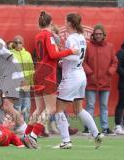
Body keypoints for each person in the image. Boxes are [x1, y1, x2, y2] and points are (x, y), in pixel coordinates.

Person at [21, 11, 77, 149]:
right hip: (47, 74)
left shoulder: (38, 35)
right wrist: (70, 51)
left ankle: (26, 135)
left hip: (38, 72)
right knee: (51, 108)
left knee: (39, 108)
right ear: (51, 23)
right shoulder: (48, 35)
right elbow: (53, 54)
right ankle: (33, 136)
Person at [52, 13, 103, 149]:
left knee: (58, 109)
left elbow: (73, 57)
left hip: (72, 76)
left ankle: (65, 141)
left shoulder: (71, 38)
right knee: (78, 109)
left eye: (65, 21)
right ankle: (96, 133)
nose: (64, 23)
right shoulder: (80, 37)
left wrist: (61, 57)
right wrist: (65, 57)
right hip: (80, 75)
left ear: (70, 23)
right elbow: (77, 56)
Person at [83, 24, 118, 135]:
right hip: (91, 81)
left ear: (103, 35)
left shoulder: (110, 47)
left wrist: (109, 73)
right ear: (93, 35)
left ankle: (105, 127)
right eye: (96, 34)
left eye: (100, 34)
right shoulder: (88, 46)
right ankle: (88, 128)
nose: (98, 36)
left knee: (104, 105)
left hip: (105, 82)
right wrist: (90, 73)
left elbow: (115, 62)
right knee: (90, 105)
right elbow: (83, 62)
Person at [11, 35, 34, 121]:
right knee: (17, 106)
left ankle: (24, 126)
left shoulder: (27, 54)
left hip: (26, 85)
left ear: (23, 43)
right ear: (13, 44)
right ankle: (18, 125)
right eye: (16, 42)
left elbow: (31, 69)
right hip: (16, 85)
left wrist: (30, 83)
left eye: (20, 42)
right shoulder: (10, 54)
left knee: (27, 106)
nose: (18, 44)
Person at [114, 41, 124, 135]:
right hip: (123, 83)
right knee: (122, 103)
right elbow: (117, 67)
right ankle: (118, 125)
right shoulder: (121, 52)